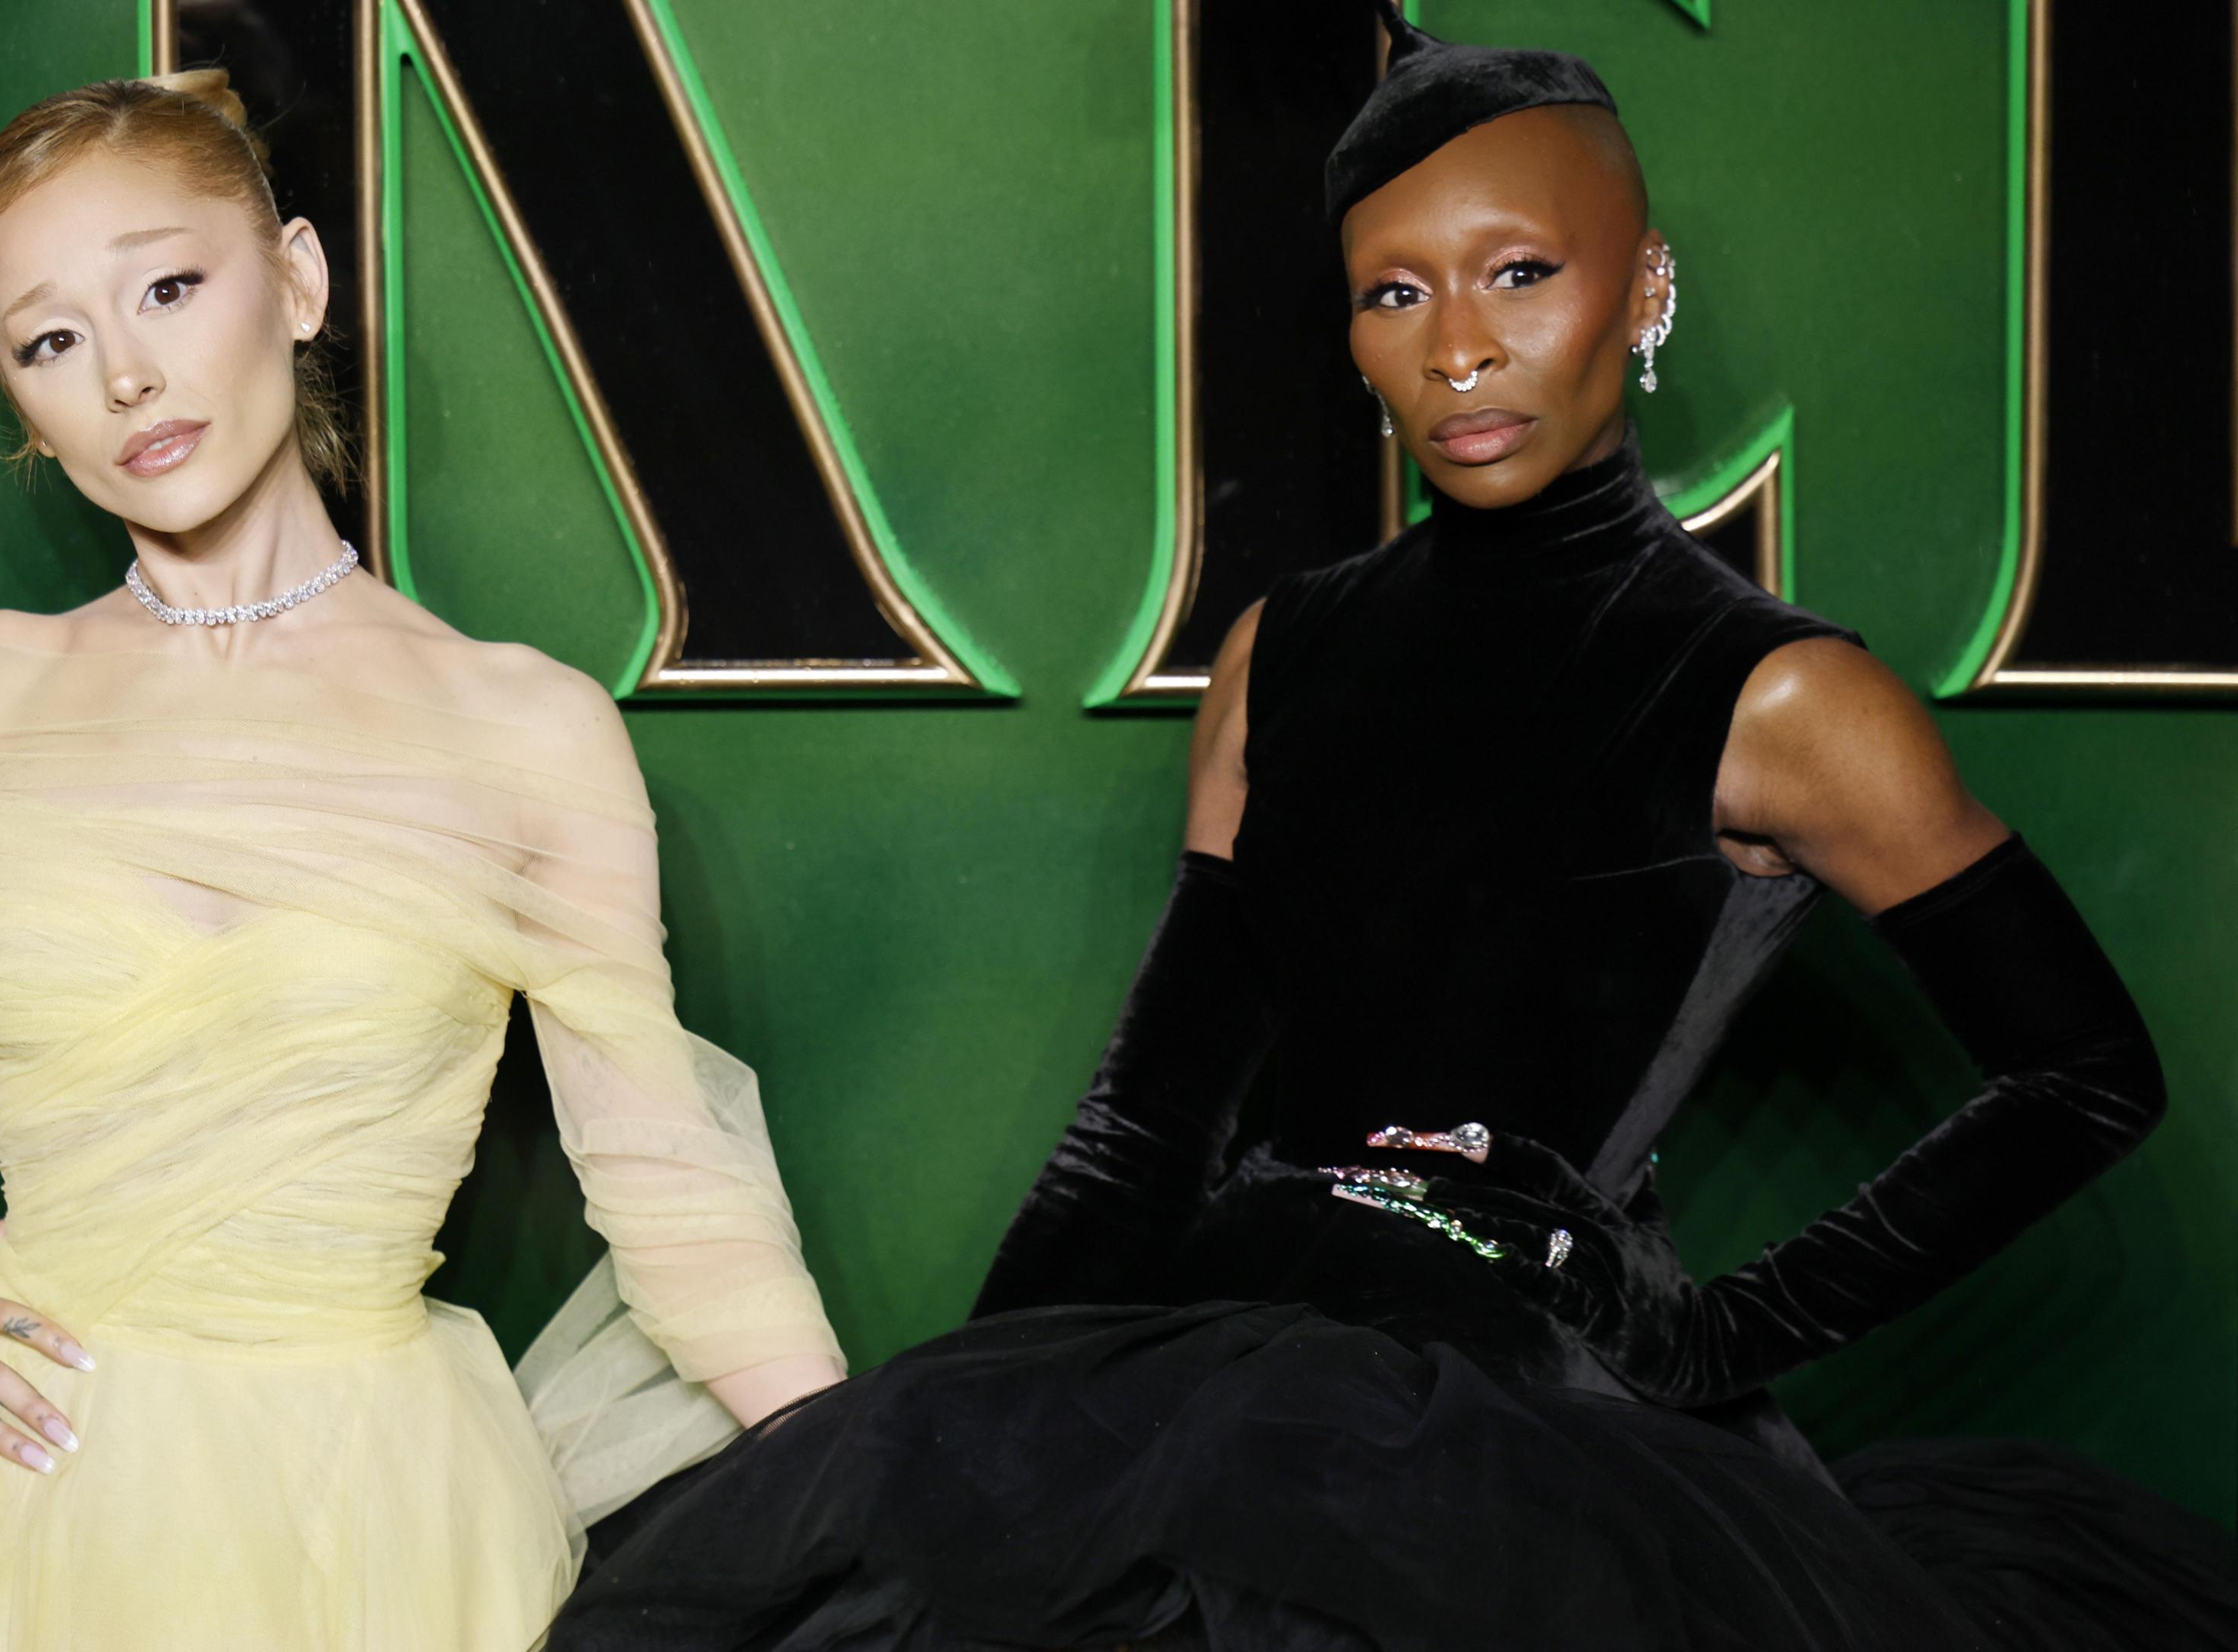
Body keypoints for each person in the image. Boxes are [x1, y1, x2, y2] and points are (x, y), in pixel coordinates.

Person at [545, 11, 2236, 1648]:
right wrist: (973, 1466)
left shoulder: (1780, 699)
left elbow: (2086, 1074)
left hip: (1544, 1443)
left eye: (1520, 273)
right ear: (1353, 337)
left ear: (1640, 290)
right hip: (1214, 1357)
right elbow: (1148, 1123)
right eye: (1395, 293)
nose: (1460, 345)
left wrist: (1721, 1332)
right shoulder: (1286, 652)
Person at [0, 72, 843, 1652]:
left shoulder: (525, 731)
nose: (128, 376)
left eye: (169, 286)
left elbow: (682, 1211)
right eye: (54, 340)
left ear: (295, 278)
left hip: (371, 1529)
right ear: (18, 395)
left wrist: (890, 1503)